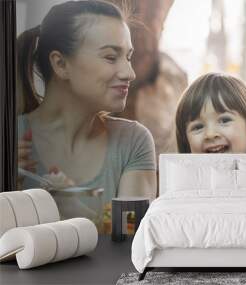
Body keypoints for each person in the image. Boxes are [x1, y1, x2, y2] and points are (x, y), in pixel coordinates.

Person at [16, 0, 157, 226]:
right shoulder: (9, 141)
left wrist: (70, 205)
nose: (129, 73)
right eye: (111, 57)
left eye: (128, 57)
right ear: (61, 64)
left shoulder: (133, 142)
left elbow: (132, 237)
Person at [175, 72, 246, 153]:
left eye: (224, 120)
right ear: (186, 140)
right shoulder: (176, 183)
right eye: (198, 127)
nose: (210, 134)